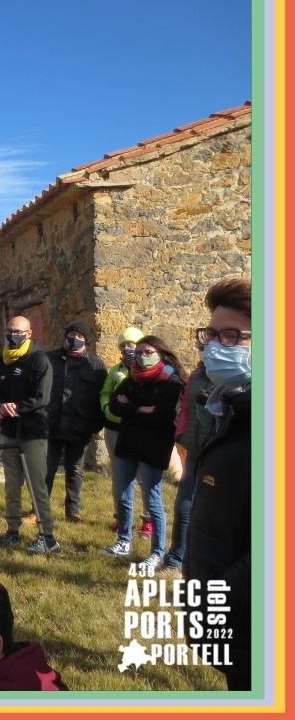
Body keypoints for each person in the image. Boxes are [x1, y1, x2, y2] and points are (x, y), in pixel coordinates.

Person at [185, 277, 251, 690]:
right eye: (211, 334)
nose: (214, 347)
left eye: (232, 336)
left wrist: (219, 600)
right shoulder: (235, 409)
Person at [100, 335, 186, 575]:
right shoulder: (132, 377)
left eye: (147, 352)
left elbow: (163, 416)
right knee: (122, 493)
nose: (141, 357)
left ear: (161, 354)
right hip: (128, 442)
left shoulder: (172, 382)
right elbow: (115, 406)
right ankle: (123, 541)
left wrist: (131, 408)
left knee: (152, 499)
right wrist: (142, 408)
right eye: (138, 352)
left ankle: (157, 552)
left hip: (153, 446)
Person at [0, 316, 58, 553]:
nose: (13, 335)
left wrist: (13, 408)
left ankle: (47, 537)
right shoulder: (2, 359)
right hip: (9, 431)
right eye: (10, 331)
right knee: (11, 484)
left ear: (29, 333)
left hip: (33, 432)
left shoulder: (39, 360)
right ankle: (12, 531)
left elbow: (42, 397)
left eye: (18, 331)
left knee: (37, 485)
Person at [43, 322, 107, 522]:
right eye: (72, 334)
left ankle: (73, 512)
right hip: (51, 425)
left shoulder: (95, 365)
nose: (75, 339)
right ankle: (40, 509)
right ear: (65, 336)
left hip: (80, 427)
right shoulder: (49, 359)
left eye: (80, 336)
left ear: (86, 341)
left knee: (75, 470)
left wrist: (95, 425)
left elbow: (102, 395)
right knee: (46, 469)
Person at [163, 344, 215, 572]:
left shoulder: (238, 377)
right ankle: (176, 557)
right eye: (205, 343)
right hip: (194, 450)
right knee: (183, 506)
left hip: (217, 455)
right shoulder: (196, 375)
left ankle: (206, 563)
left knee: (212, 512)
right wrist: (181, 434)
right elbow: (185, 409)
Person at [100, 326, 153, 538]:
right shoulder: (115, 370)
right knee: (119, 476)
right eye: (123, 345)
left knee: (143, 477)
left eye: (132, 344)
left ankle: (148, 520)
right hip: (114, 429)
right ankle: (122, 517)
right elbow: (105, 393)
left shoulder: (149, 371)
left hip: (139, 430)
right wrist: (107, 408)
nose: (127, 349)